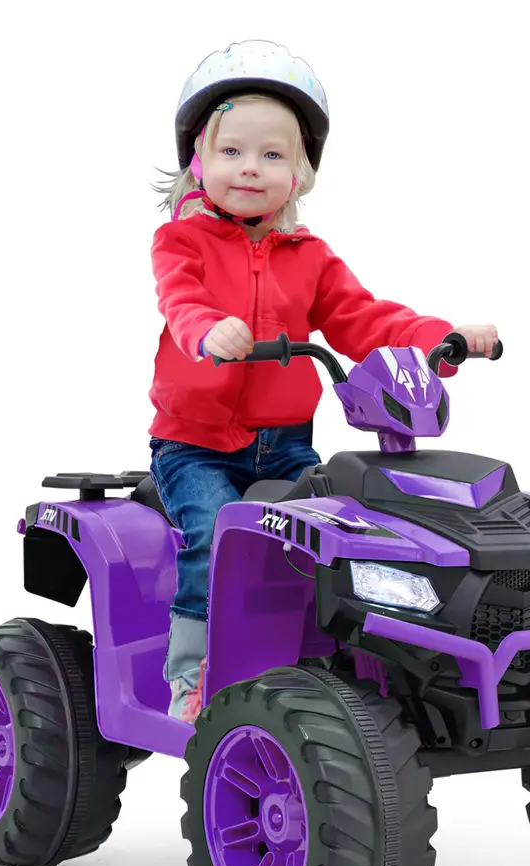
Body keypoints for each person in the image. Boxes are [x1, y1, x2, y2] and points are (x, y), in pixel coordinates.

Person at [148, 39, 499, 722]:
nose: (250, 167)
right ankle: (191, 675)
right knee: (213, 536)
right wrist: (207, 331)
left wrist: (440, 339)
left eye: (272, 154)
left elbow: (363, 319)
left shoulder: (309, 257)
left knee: (340, 541)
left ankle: (334, 664)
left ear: (301, 174)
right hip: (195, 446)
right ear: (198, 162)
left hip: (285, 444)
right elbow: (180, 300)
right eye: (231, 151)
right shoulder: (180, 243)